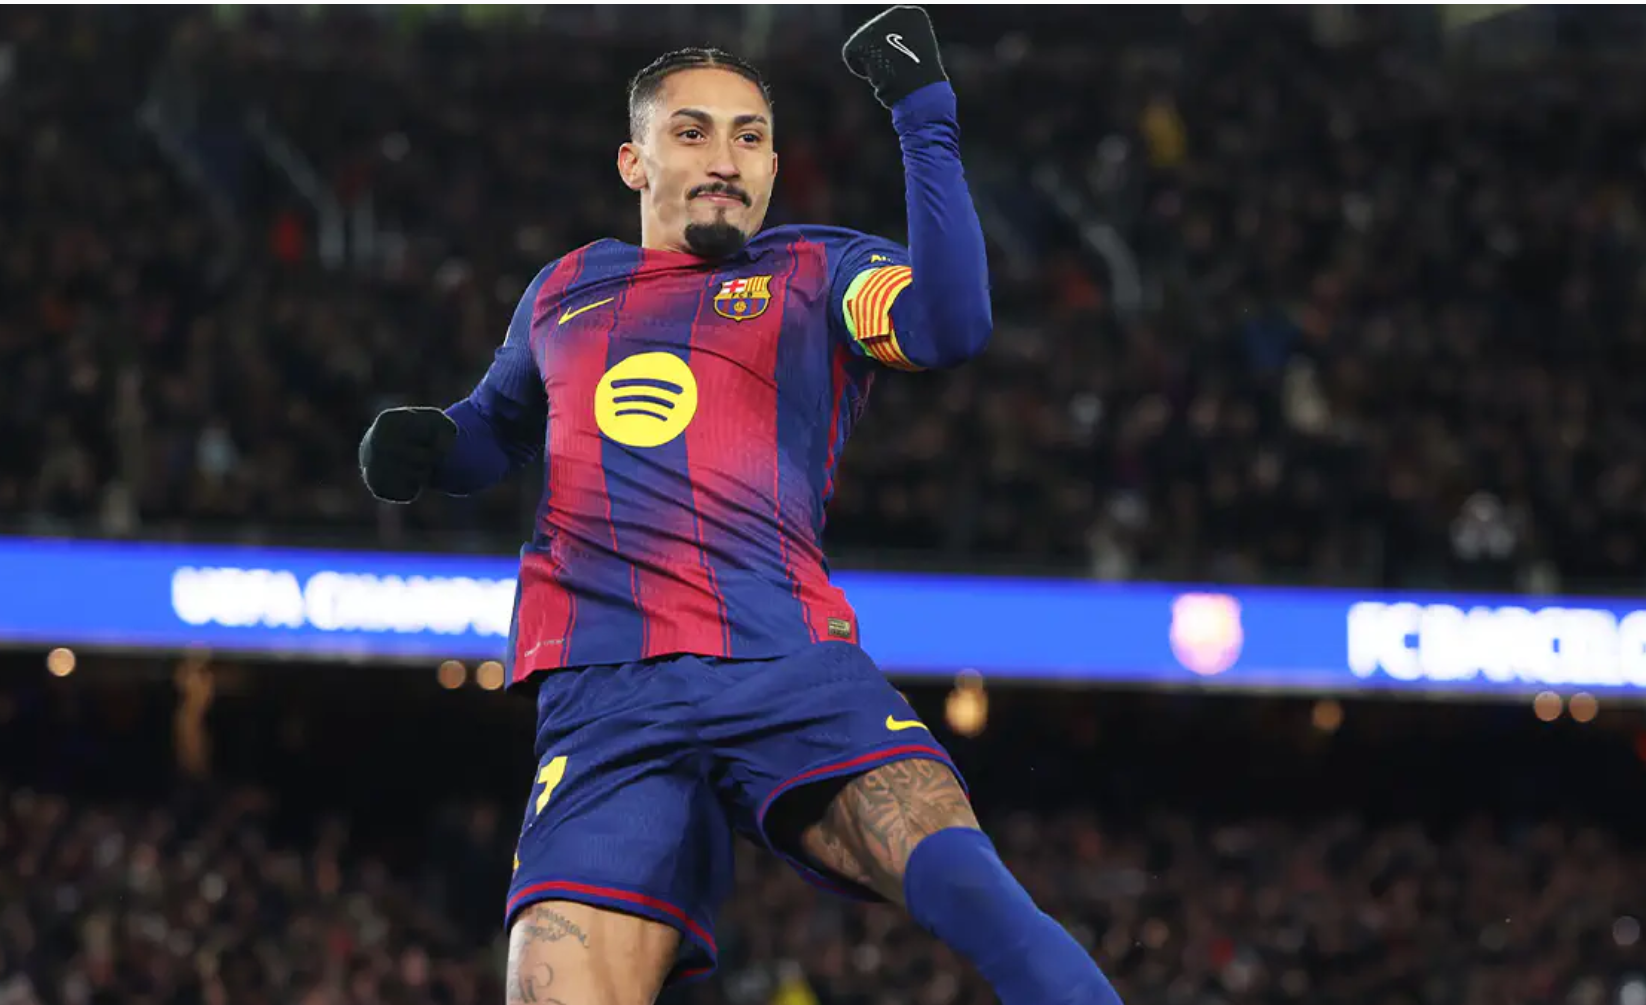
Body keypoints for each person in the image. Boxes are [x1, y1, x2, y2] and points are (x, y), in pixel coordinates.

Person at [359, 8, 1124, 1005]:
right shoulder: (564, 289)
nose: (725, 160)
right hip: (603, 697)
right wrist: (430, 443)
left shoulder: (817, 271)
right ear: (633, 161)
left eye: (749, 137)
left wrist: (923, 118)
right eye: (693, 133)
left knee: (972, 888)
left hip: (782, 664)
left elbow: (949, 323)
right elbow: (494, 429)